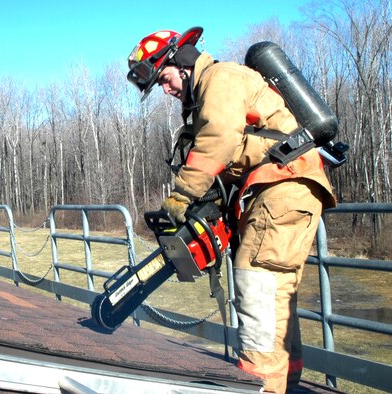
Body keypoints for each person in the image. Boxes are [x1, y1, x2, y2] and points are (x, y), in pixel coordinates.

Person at [127, 27, 336, 394]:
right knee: (272, 290)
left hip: (283, 187)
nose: (166, 89)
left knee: (256, 283)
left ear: (183, 62)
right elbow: (238, 153)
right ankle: (286, 378)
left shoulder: (220, 79)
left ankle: (261, 386)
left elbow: (219, 138)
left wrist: (183, 195)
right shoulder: (210, 90)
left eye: (164, 78)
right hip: (271, 190)